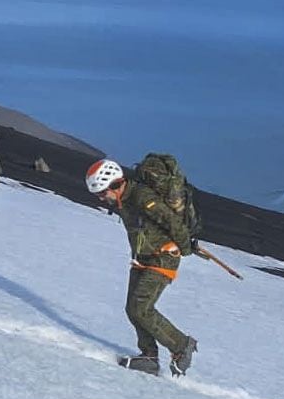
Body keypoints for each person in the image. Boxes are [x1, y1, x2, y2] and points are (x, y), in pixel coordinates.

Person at [85, 158, 199, 376]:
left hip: (163, 258)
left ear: (115, 185)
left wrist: (184, 247)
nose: (101, 198)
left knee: (141, 308)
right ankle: (148, 356)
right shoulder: (124, 200)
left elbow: (172, 223)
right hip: (143, 258)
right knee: (132, 309)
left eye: (102, 193)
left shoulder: (142, 197)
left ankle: (181, 346)